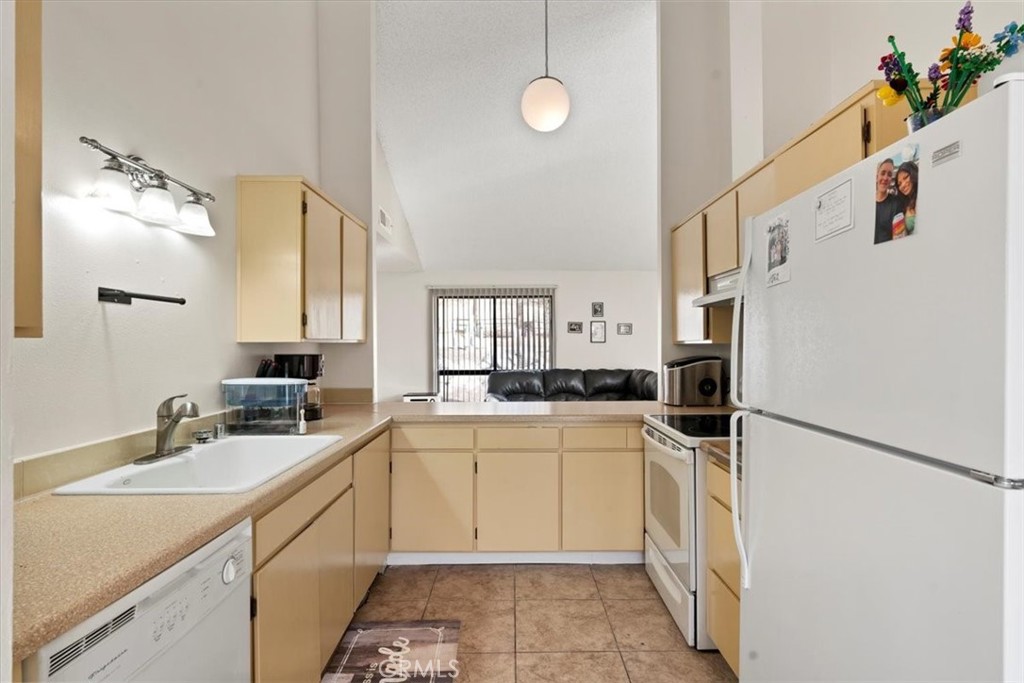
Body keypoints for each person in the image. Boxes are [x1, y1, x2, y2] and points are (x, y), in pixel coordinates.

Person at [874, 158, 901, 244]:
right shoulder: (866, 204)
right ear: (876, 176)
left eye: (889, 175)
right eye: (883, 173)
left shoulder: (896, 203)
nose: (885, 178)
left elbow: (899, 237)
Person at [893, 161, 919, 239]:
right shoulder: (904, 204)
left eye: (906, 177)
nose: (903, 185)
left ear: (914, 174)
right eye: (899, 184)